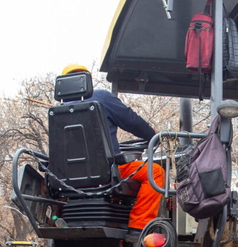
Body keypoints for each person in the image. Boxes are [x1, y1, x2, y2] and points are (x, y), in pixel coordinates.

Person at [60, 64, 163, 234]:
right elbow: (131, 121)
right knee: (155, 173)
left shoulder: (57, 111)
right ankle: (138, 226)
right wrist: (152, 135)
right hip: (106, 172)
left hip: (70, 179)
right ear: (86, 81)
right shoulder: (99, 97)